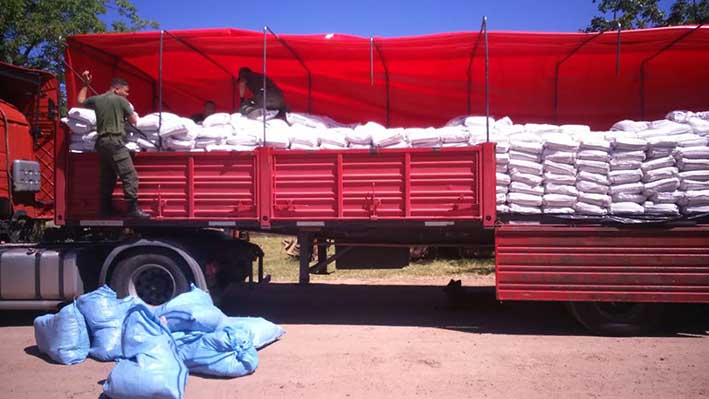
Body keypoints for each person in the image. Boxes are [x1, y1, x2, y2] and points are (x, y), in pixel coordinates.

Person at [77, 70, 149, 219]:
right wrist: (126, 115)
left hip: (101, 144)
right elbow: (134, 121)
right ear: (117, 89)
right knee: (130, 175)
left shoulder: (97, 99)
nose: (127, 94)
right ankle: (132, 210)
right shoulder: (122, 101)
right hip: (114, 142)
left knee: (107, 177)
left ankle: (105, 210)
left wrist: (85, 84)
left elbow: (80, 101)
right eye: (126, 91)